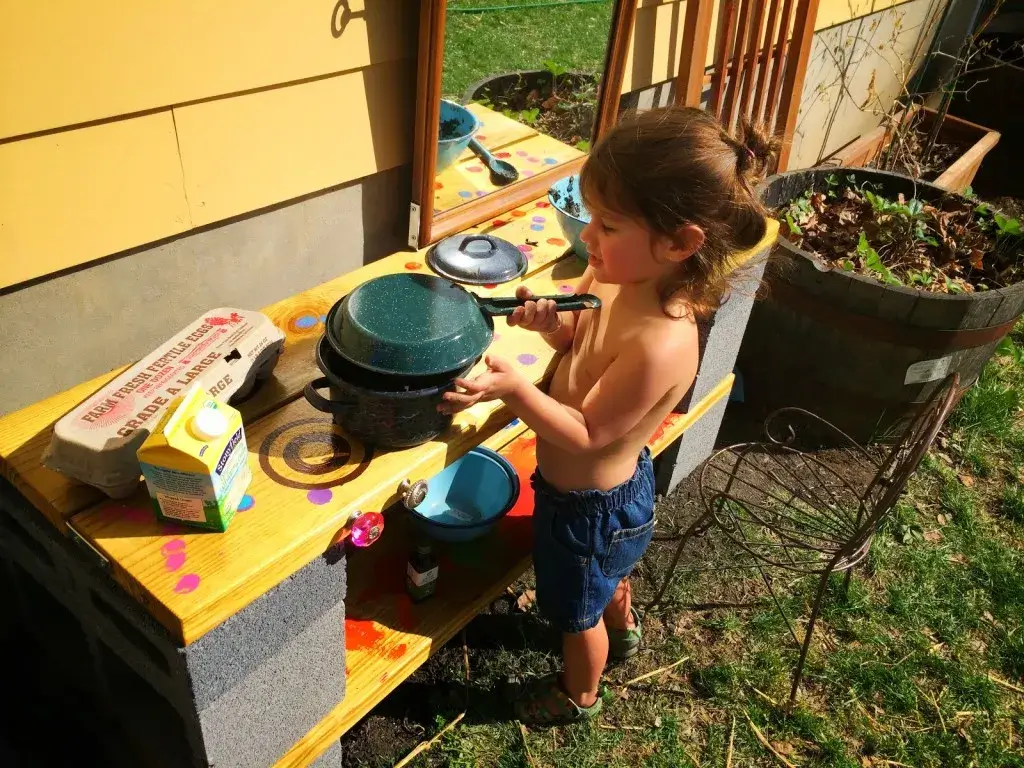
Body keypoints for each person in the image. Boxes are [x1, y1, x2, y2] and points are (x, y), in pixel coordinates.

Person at [439, 106, 777, 725]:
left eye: (609, 224)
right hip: (594, 502)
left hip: (590, 508)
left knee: (574, 611)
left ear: (679, 243)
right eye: (592, 217)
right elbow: (579, 339)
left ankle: (578, 692)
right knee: (606, 577)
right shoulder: (617, 272)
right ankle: (623, 631)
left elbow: (589, 434)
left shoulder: (661, 342)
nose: (588, 236)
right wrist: (553, 325)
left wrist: (513, 388)